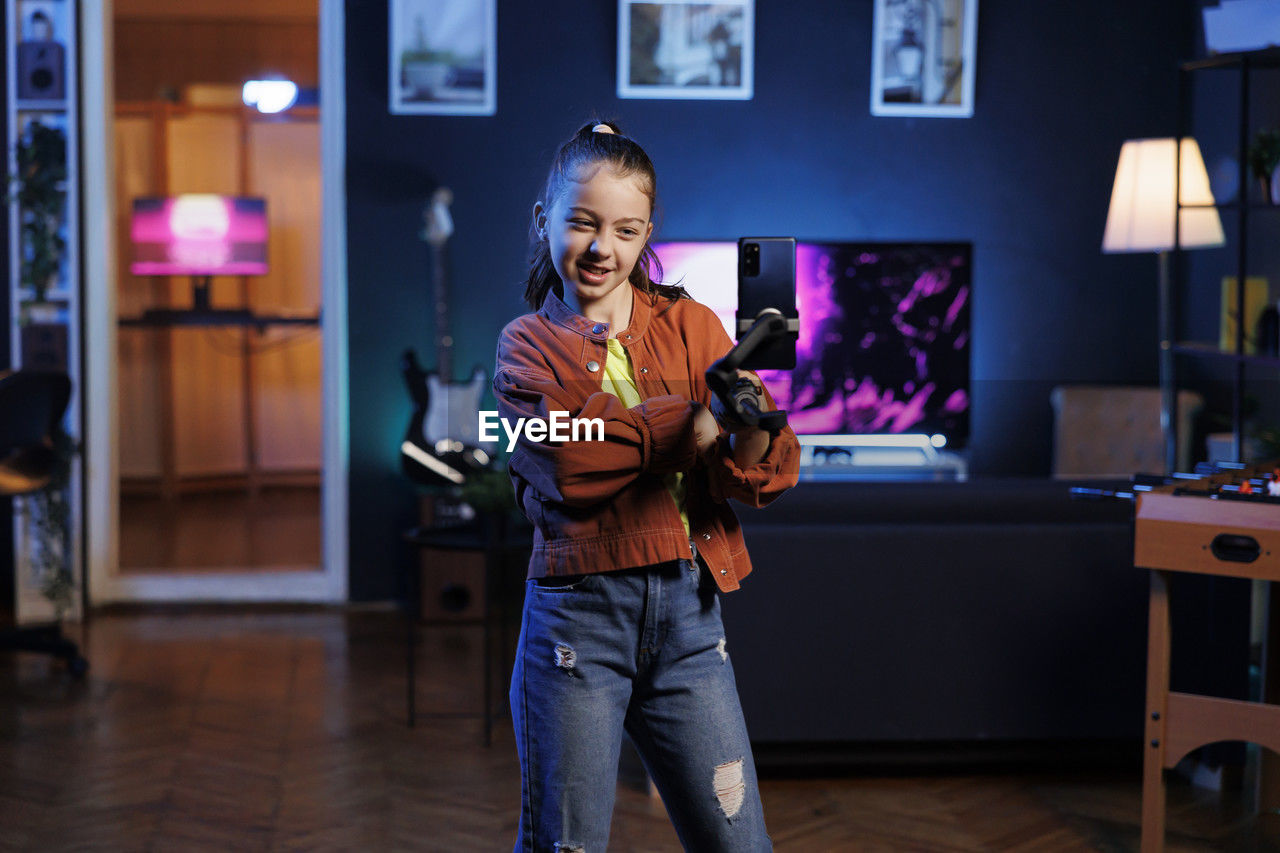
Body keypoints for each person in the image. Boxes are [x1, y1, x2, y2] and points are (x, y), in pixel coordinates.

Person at [493, 120, 800, 852]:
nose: (604, 248)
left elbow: (760, 472)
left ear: (647, 232)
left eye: (626, 230)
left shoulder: (693, 325)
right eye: (582, 223)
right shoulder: (524, 347)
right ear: (544, 221)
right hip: (575, 632)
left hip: (691, 623)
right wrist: (689, 428)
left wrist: (747, 415)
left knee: (740, 845)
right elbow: (565, 459)